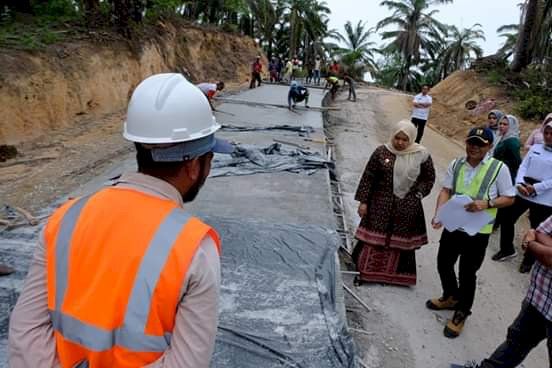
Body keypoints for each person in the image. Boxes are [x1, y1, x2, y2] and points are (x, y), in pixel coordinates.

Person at [8, 73, 234, 368]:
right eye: (209, 159)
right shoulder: (194, 249)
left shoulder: (65, 218)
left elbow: (26, 334)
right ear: (193, 166)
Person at [428, 127, 515, 338]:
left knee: (467, 272)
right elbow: (446, 190)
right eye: (472, 142)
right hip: (454, 224)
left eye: (480, 144)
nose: (475, 147)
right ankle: (450, 296)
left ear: (489, 146)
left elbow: (510, 197)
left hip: (478, 231)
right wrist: (439, 213)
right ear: (466, 142)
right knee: (444, 262)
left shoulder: (498, 168)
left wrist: (487, 203)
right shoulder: (456, 164)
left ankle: (461, 312)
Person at [352, 120, 435, 286]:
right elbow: (369, 177)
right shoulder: (381, 152)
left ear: (411, 139)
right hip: (379, 204)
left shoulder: (421, 154)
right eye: (397, 138)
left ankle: (397, 277)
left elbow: (428, 178)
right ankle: (365, 273)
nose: (400, 143)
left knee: (401, 242)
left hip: (407, 207)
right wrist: (363, 202)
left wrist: (418, 194)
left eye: (405, 140)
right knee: (372, 239)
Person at [469, 215, 552, 368]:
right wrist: (537, 238)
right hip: (539, 298)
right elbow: (539, 231)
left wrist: (530, 243)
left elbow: (549, 256)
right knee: (515, 343)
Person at [497, 120, 552, 272]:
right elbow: (523, 166)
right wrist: (520, 183)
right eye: (546, 133)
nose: (548, 136)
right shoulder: (536, 147)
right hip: (523, 192)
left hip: (544, 199)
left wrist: (536, 188)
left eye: (551, 133)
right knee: (506, 217)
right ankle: (507, 249)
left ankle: (529, 259)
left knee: (537, 231)